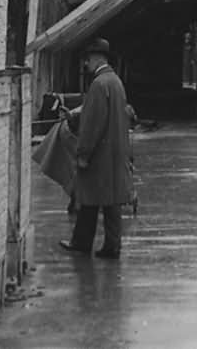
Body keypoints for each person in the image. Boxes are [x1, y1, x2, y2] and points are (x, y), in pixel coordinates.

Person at [59, 37, 132, 259]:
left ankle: (86, 243)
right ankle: (108, 244)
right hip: (115, 151)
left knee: (90, 196)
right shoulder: (115, 82)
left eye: (88, 59)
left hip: (100, 154)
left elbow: (92, 123)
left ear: (97, 58)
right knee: (109, 201)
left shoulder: (99, 85)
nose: (85, 64)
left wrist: (83, 152)